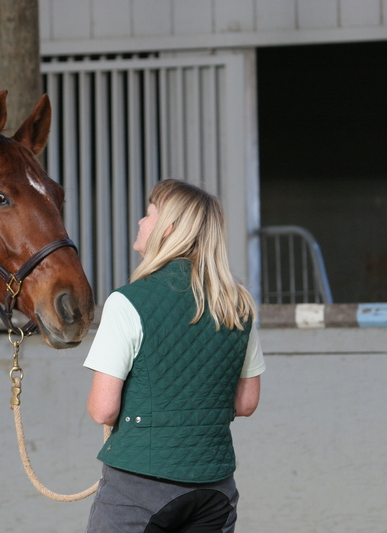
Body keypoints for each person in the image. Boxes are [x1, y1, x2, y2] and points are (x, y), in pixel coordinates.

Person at [83, 179, 265, 533]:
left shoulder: (127, 301)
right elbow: (246, 403)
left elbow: (102, 410)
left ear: (168, 228)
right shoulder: (238, 305)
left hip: (139, 487)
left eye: (149, 214)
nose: (141, 222)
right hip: (215, 488)